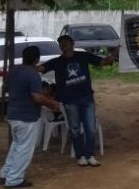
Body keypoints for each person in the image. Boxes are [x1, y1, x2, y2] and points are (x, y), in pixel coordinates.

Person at [39, 35, 116, 167]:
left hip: (86, 98)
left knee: (90, 128)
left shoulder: (83, 56)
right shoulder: (57, 62)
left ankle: (90, 155)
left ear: (72, 44)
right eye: (61, 44)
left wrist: (113, 55)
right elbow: (41, 68)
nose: (63, 45)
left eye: (65, 43)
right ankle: (80, 156)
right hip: (70, 101)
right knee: (74, 129)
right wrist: (25, 67)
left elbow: (103, 62)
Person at [0, 45, 63, 189]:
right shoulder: (32, 74)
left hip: (13, 114)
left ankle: (6, 173)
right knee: (24, 149)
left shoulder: (14, 70)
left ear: (23, 57)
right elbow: (36, 97)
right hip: (26, 117)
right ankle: (14, 179)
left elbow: (5, 88)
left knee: (16, 146)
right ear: (37, 59)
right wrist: (51, 103)